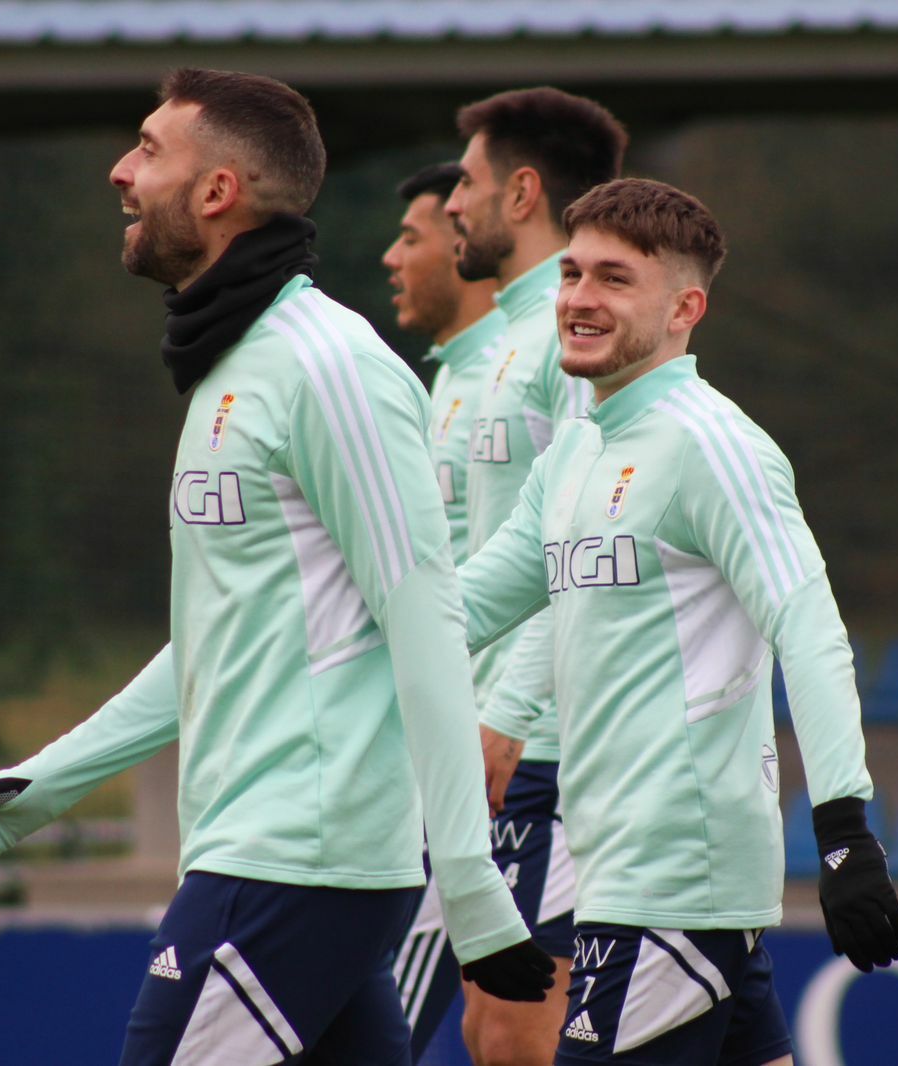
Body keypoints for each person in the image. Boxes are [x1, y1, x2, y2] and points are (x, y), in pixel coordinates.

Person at [0, 68, 551, 1065]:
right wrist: (32, 790)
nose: (121, 172)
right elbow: (217, 640)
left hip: (296, 863)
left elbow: (425, 619)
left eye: (149, 150)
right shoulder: (235, 367)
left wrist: (469, 889)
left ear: (218, 194)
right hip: (275, 858)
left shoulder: (327, 366)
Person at [458, 177, 898, 1063]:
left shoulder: (716, 445)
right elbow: (460, 609)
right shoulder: (577, 449)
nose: (581, 299)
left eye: (616, 280)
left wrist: (845, 834)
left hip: (666, 881)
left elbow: (810, 631)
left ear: (684, 307)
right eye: (574, 274)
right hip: (631, 875)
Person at [441, 86, 628, 1066]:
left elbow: (593, 544)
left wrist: (509, 706)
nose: (450, 207)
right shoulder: (508, 338)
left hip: (553, 744)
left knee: (519, 1025)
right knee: (492, 1023)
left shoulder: (579, 329)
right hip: (499, 736)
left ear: (521, 192)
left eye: (465, 184)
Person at [378, 161, 510, 1059]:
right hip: (443, 750)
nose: (393, 257)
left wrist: (507, 715)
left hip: (494, 766)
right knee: (503, 1032)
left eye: (415, 237)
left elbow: (546, 563)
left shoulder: (529, 368)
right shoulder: (445, 384)